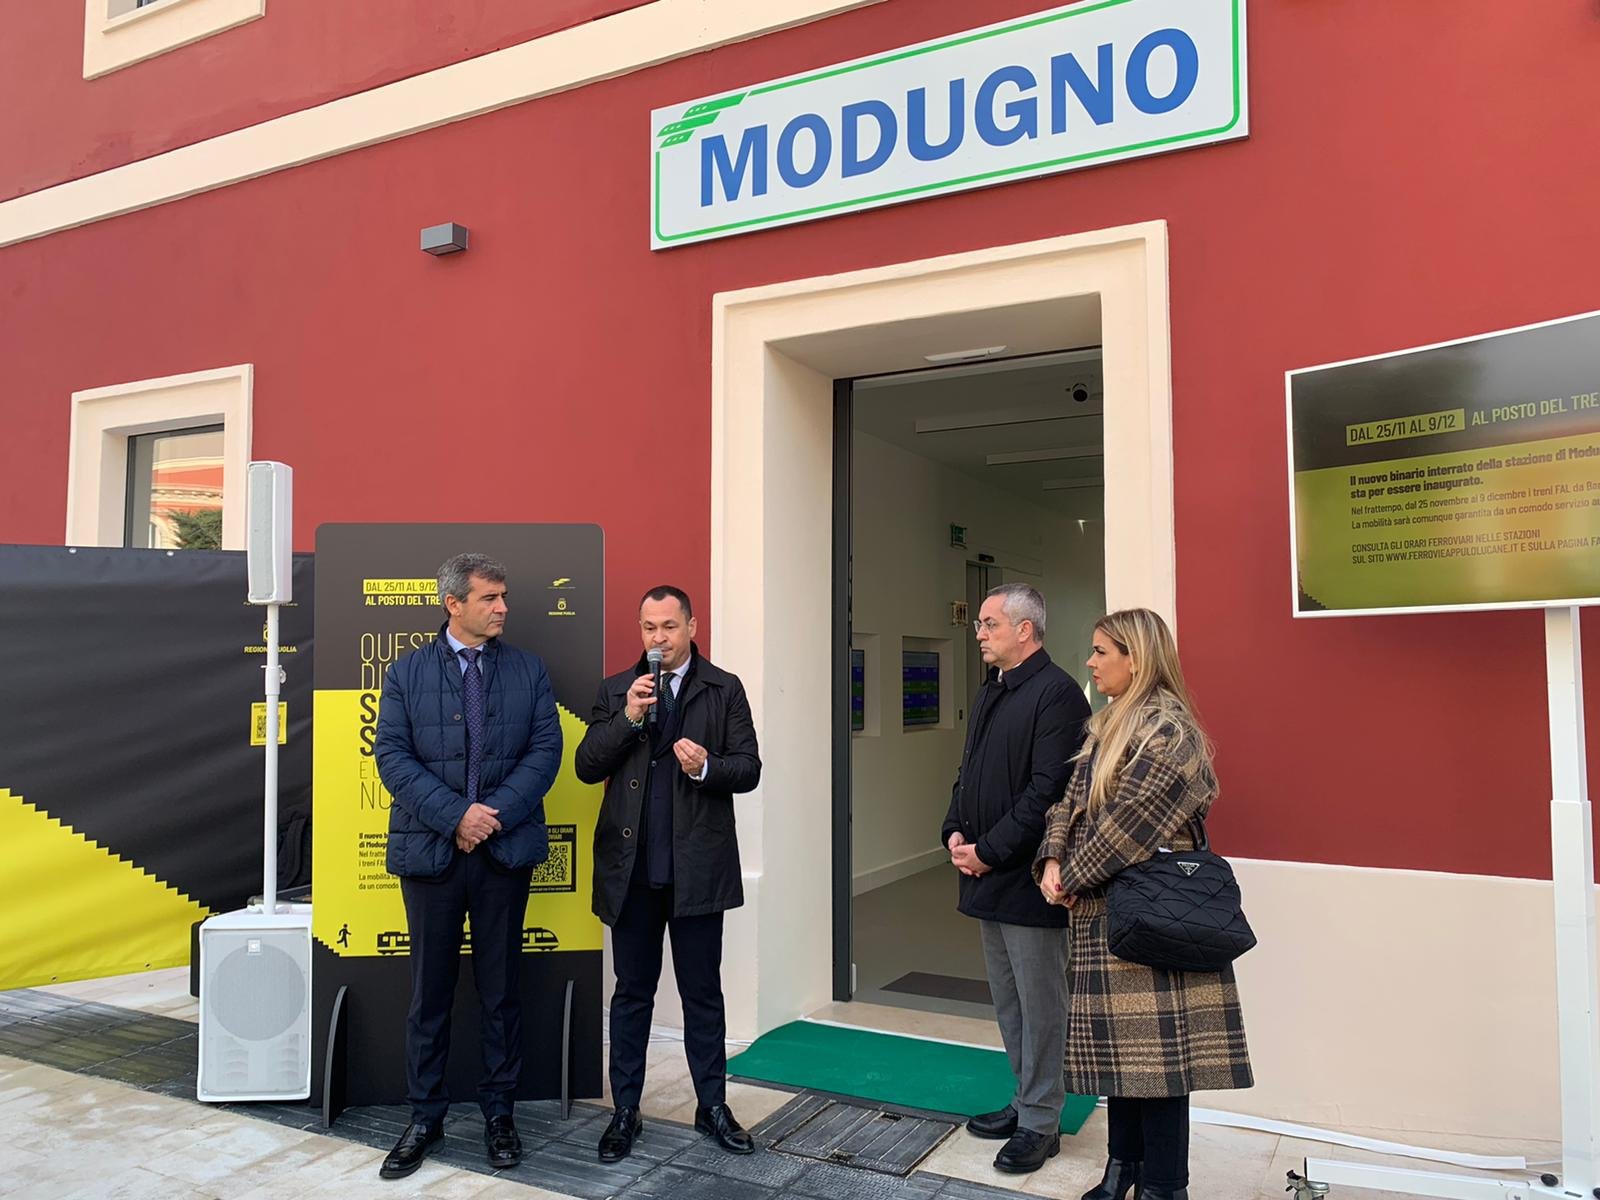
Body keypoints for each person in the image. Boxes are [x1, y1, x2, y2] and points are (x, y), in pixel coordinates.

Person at [1034, 609, 1252, 1200]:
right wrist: (1051, 859)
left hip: (1153, 914)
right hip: (1109, 912)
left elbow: (1127, 827)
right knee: (1123, 1061)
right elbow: (1066, 803)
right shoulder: (1107, 724)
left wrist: (1069, 874)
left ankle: (1163, 1187)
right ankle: (1122, 1169)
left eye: (1101, 651)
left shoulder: (1168, 732)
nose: (1090, 662)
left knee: (1159, 1069)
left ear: (1137, 658)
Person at [374, 553, 563, 1180]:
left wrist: (490, 817)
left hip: (503, 854)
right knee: (429, 994)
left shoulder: (529, 670)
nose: (503, 607)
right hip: (431, 855)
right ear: (453, 603)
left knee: (501, 991)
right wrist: (457, 816)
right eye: (489, 597)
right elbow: (392, 758)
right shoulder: (406, 673)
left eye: (504, 596)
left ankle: (499, 1115)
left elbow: (545, 752)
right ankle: (424, 1117)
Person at [575, 585, 761, 1163]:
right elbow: (586, 766)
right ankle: (625, 1110)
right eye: (649, 627)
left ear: (692, 627)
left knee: (702, 993)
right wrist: (629, 717)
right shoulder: (617, 690)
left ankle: (712, 1107)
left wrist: (707, 767)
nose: (658, 638)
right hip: (631, 870)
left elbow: (749, 768)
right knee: (632, 993)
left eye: (669, 627)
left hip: (697, 869)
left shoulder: (723, 688)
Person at [941, 583, 1090, 1174]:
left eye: (989, 624)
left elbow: (1046, 794)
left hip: (1028, 879)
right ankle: (1025, 1101)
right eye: (980, 624)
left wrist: (989, 852)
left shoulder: (1058, 696)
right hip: (988, 874)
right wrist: (954, 829)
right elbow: (969, 770)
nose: (978, 633)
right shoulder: (992, 690)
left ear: (1025, 630)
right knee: (1009, 1003)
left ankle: (1041, 1123)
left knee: (1041, 1005)